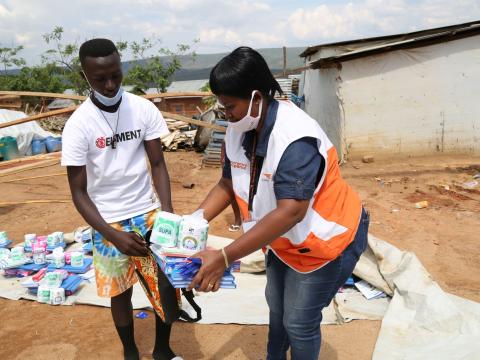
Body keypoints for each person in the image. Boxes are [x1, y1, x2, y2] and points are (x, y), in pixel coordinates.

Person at [188, 47, 370, 360]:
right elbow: (228, 183)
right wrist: (193, 221)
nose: (226, 113)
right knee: (277, 308)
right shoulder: (240, 128)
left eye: (230, 106)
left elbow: (292, 211)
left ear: (256, 98)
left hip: (324, 242)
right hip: (281, 241)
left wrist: (224, 255)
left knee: (299, 322)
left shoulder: (295, 138)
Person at [61, 38, 181, 360]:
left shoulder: (142, 109)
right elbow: (78, 192)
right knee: (120, 291)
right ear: (85, 75)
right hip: (107, 221)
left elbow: (158, 164)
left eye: (116, 74)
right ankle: (130, 351)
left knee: (166, 285)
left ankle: (162, 350)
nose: (110, 84)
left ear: (120, 66)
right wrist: (112, 234)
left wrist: (167, 215)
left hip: (148, 212)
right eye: (100, 79)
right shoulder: (77, 126)